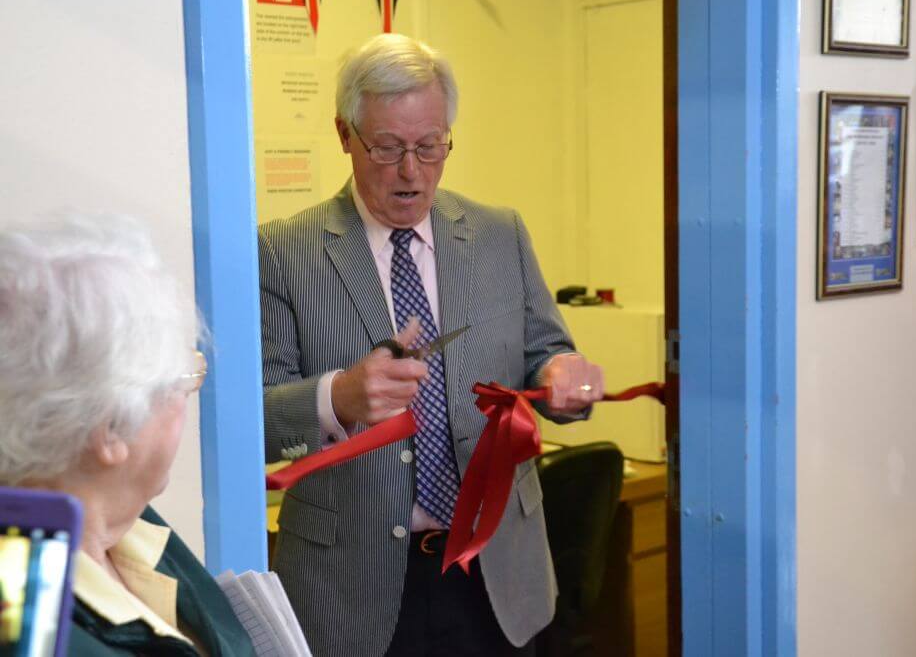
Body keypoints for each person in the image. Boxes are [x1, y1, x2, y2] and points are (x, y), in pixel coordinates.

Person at [260, 33, 605, 656]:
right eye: (388, 147)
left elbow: (548, 354)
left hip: (495, 577)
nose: (412, 171)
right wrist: (336, 397)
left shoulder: (500, 235)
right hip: (351, 589)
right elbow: (251, 424)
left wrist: (565, 376)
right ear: (345, 134)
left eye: (430, 145)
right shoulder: (283, 251)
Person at [0, 216, 257, 657]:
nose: (189, 397)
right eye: (186, 378)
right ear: (113, 428)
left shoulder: (133, 523)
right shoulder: (29, 625)